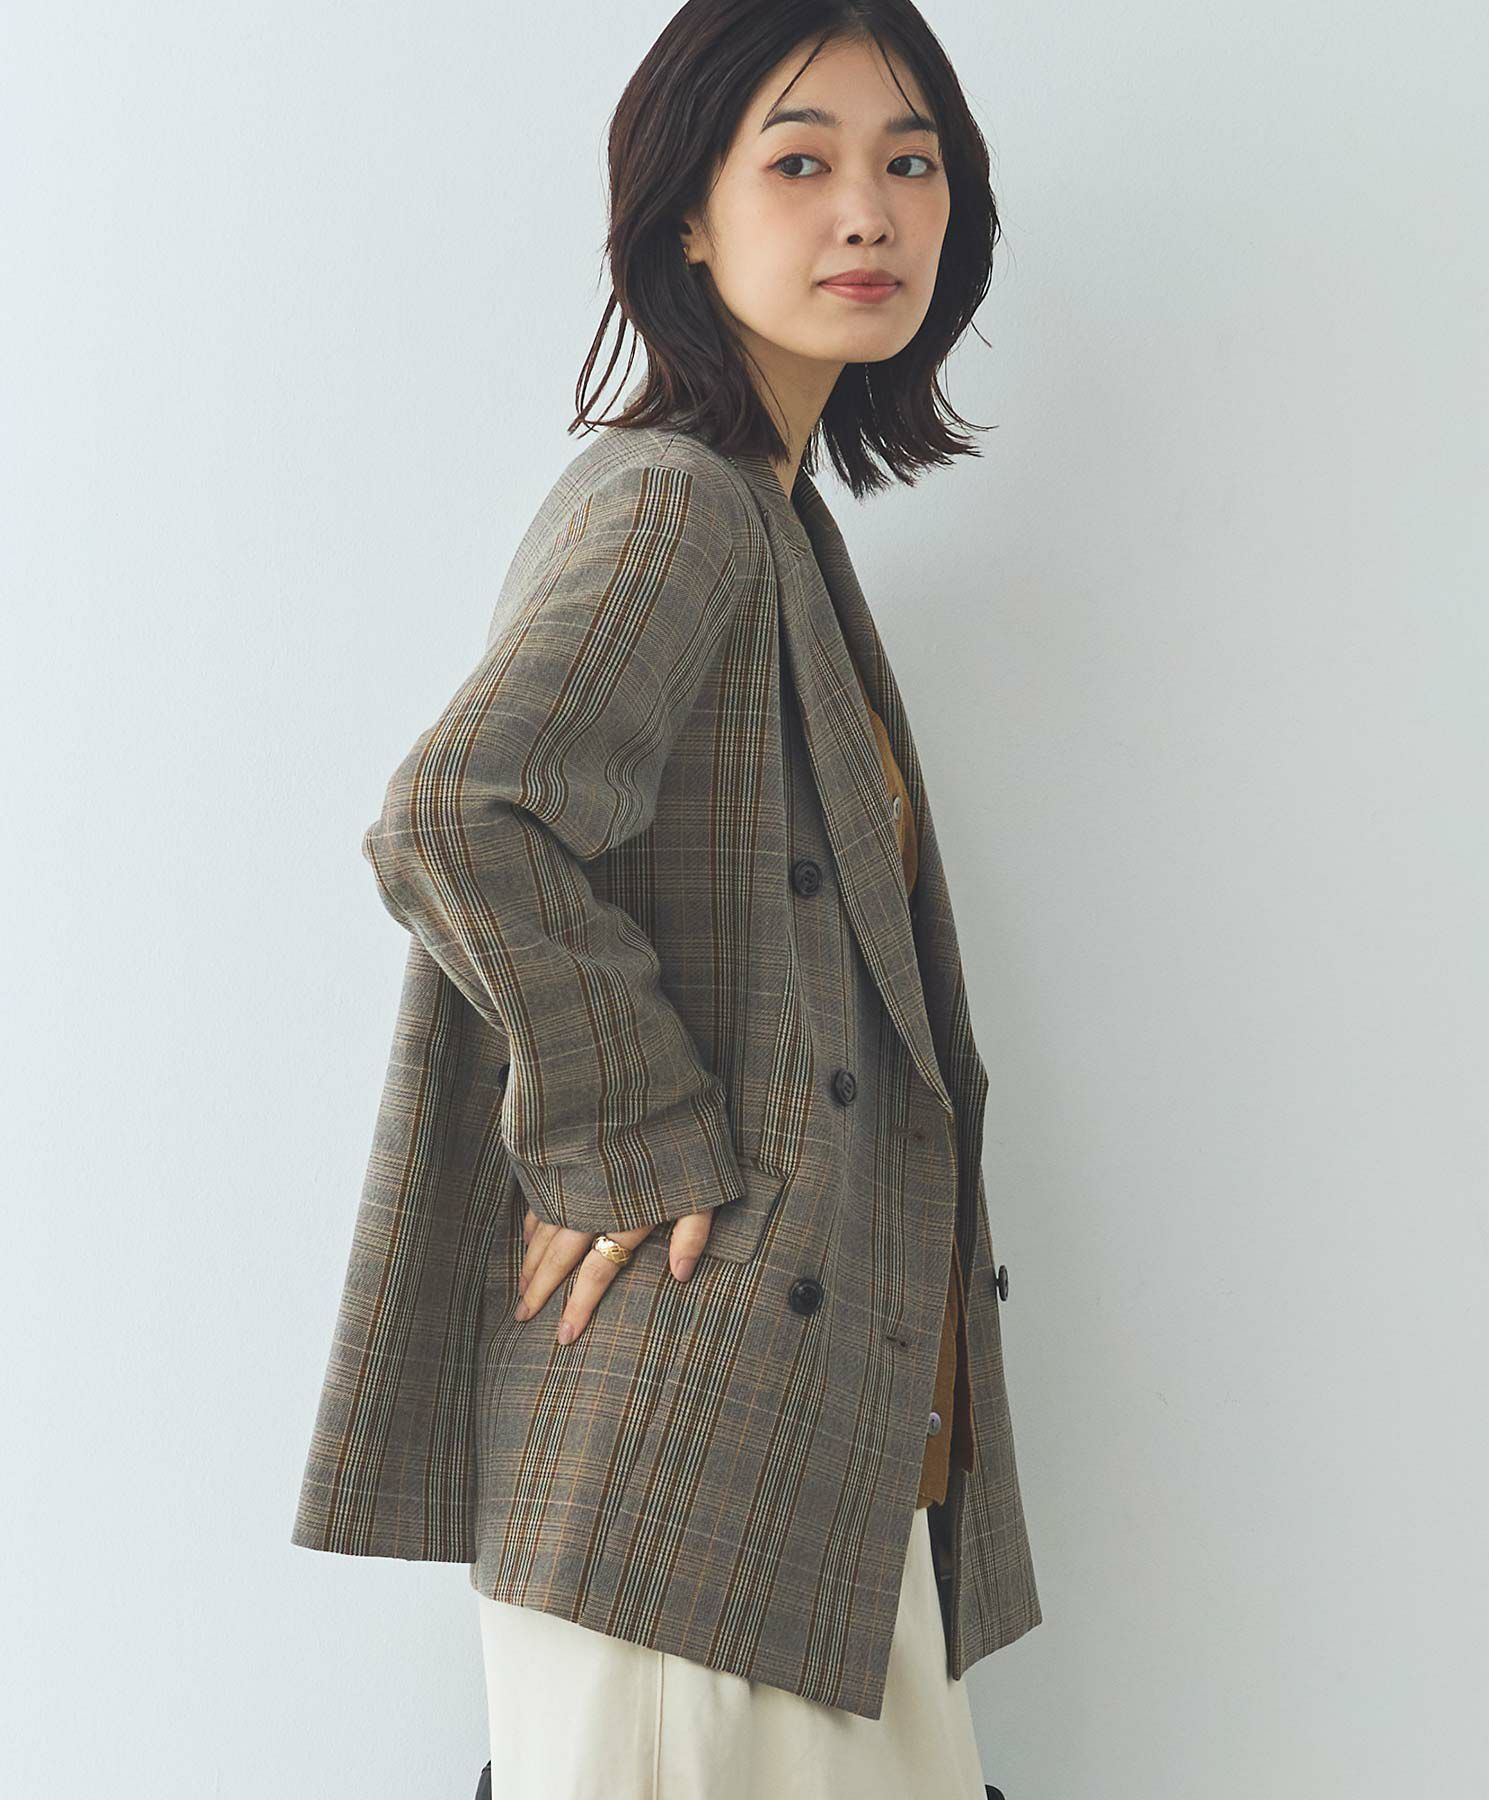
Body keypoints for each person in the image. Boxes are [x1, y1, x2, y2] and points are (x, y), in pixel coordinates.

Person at [291, 4, 1042, 1793]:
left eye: (911, 161)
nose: (867, 210)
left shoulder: (769, 521)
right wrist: (628, 1128)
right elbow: (456, 813)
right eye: (800, 161)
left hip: (786, 1448)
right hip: (691, 1454)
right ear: (685, 219)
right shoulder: (677, 509)